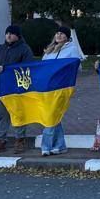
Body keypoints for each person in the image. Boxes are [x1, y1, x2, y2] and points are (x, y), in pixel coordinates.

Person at [0, 24, 35, 154]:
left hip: (16, 88)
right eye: (7, 33)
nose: (8, 35)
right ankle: (0, 140)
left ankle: (20, 140)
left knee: (18, 114)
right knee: (0, 115)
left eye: (12, 33)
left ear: (17, 36)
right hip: (2, 88)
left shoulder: (24, 49)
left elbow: (28, 67)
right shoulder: (0, 49)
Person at [40, 26, 82, 156]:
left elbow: (77, 67)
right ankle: (60, 145)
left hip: (62, 87)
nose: (58, 35)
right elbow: (42, 67)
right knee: (54, 114)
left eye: (62, 34)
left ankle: (46, 146)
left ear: (67, 37)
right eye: (57, 33)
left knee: (51, 114)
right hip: (48, 87)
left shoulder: (72, 49)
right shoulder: (49, 51)